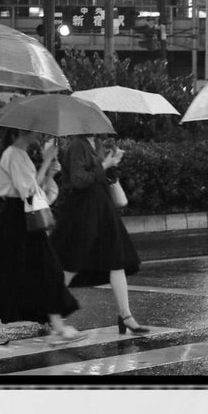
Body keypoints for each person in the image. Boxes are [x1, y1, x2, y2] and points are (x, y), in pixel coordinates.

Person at [0, 130, 81, 344]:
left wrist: (49, 171)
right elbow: (29, 191)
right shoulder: (14, 154)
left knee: (41, 269)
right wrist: (47, 161)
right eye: (34, 129)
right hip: (18, 218)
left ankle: (56, 324)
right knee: (12, 271)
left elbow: (33, 189)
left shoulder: (18, 154)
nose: (38, 133)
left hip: (22, 217)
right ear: (21, 131)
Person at [52, 132, 149, 335]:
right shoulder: (76, 146)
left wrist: (112, 162)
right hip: (84, 210)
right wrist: (104, 164)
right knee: (72, 262)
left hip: (103, 207)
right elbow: (78, 179)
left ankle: (126, 316)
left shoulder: (95, 143)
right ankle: (54, 315)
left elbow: (101, 175)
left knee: (116, 260)